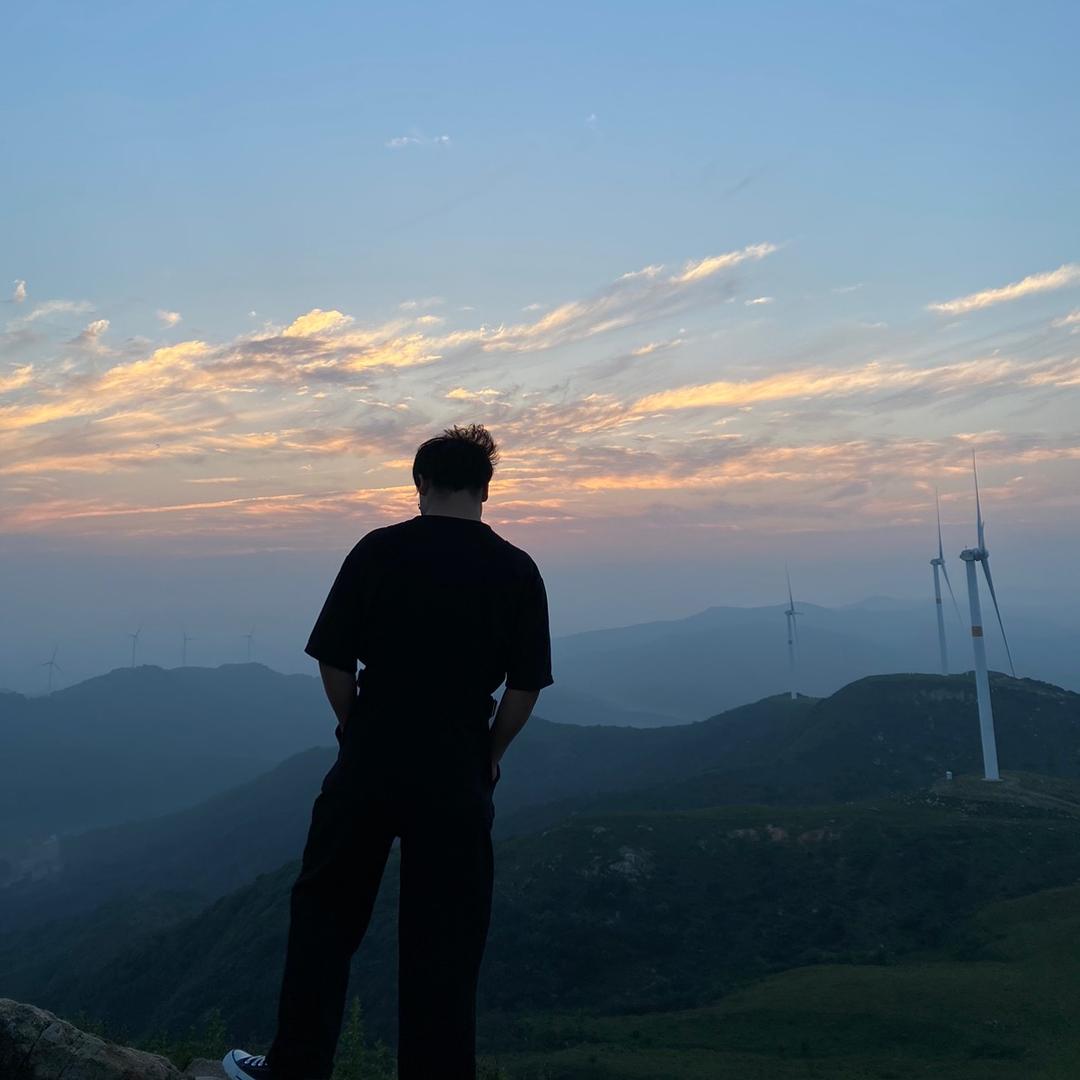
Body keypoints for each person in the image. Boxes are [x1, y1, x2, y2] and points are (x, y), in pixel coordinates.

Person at [223, 423, 553, 1080]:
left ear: (421, 483)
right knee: (446, 943)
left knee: (324, 916)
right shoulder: (516, 569)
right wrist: (488, 753)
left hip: (372, 754)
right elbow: (523, 688)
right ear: (487, 489)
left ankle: (295, 1067)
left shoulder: (377, 552)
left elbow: (336, 662)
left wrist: (355, 729)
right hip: (457, 765)